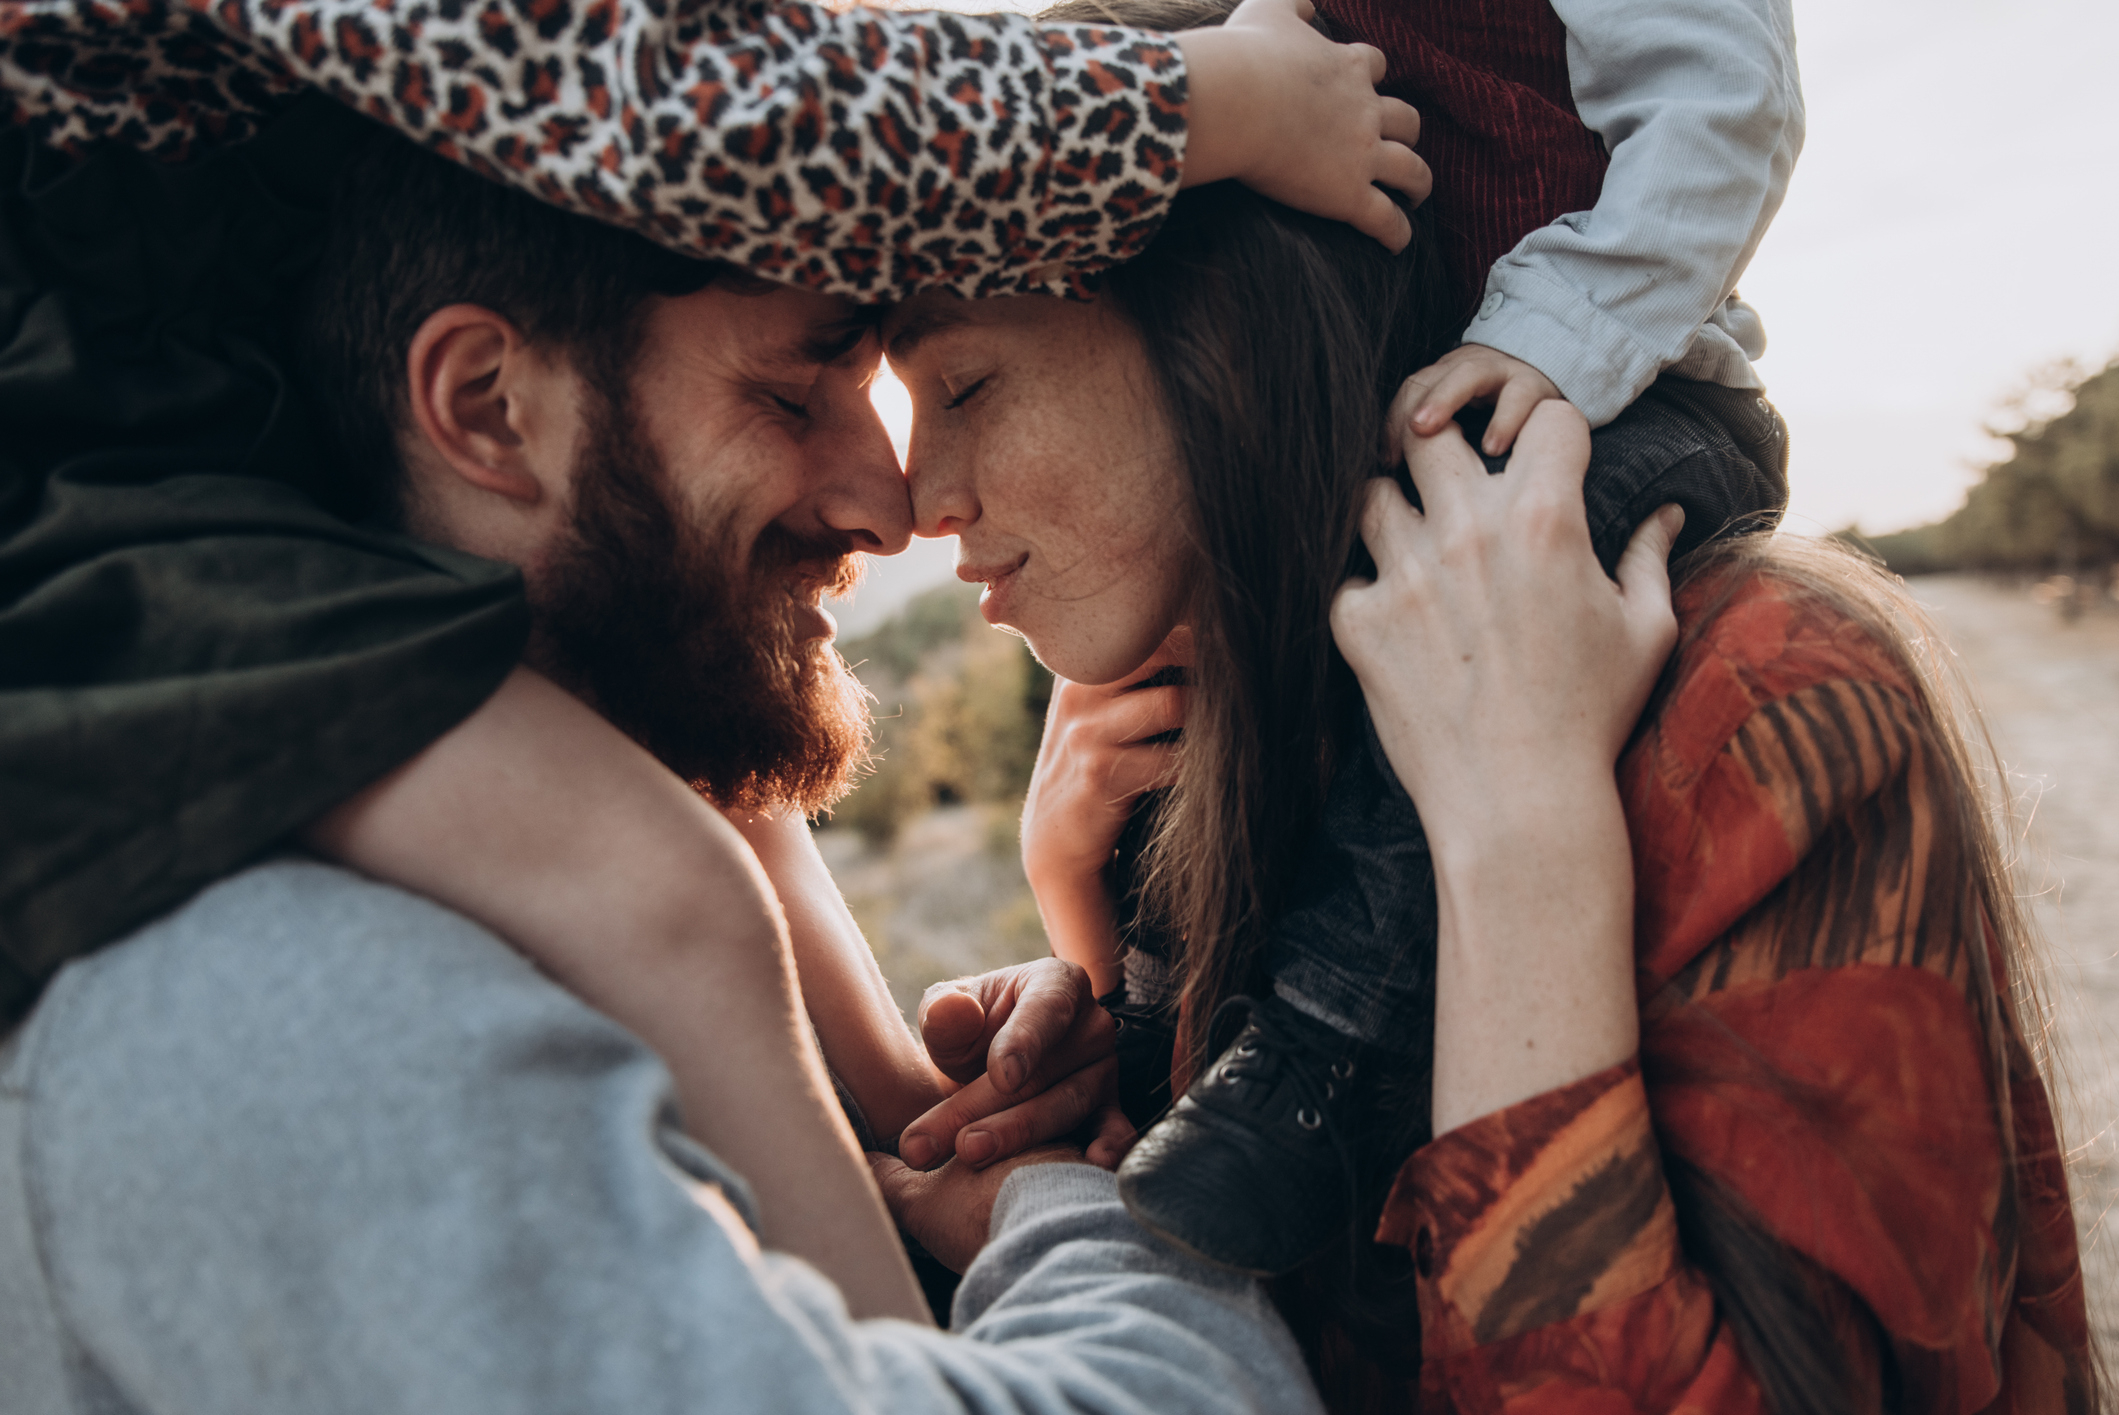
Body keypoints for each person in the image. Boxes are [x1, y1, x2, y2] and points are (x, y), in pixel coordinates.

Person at [0, 125, 1334, 1413]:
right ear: (485, 407)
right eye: (788, 393)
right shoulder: (284, 1017)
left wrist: (953, 1145)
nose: (889, 502)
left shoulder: (613, 843)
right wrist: (1066, 1206)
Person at [880, 164, 2098, 1415]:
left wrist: (1520, 835)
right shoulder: (1235, 731)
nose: (917, 499)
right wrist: (1106, 960)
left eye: (965, 384)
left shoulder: (1759, 692)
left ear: (1223, 332)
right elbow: (1274, 1305)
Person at [0, 0, 1426, 1026]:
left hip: (216, 408)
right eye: (803, 387)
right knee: (642, 865)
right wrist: (1210, 104)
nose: (898, 510)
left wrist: (924, 1120)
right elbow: (708, 118)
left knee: (674, 718)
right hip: (85, 463)